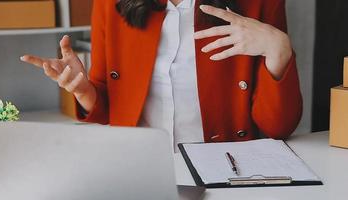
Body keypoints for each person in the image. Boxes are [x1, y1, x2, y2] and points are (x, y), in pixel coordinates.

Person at [21, 0, 302, 151]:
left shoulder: (260, 3)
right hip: (138, 165)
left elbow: (279, 127)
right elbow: (110, 108)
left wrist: (279, 49)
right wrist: (83, 91)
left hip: (226, 166)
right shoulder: (110, 3)